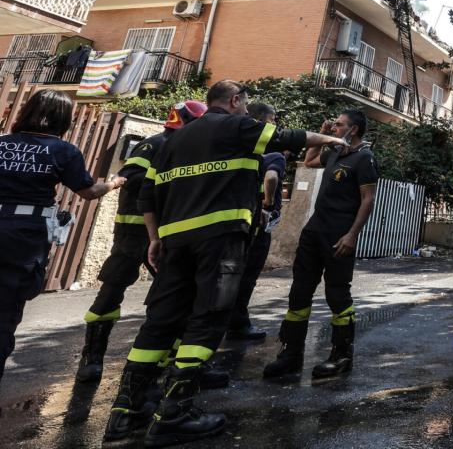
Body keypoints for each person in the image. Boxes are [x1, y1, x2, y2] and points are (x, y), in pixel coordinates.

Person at [104, 80, 345, 445]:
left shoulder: (175, 140)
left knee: (161, 320)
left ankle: (126, 411)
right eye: (245, 106)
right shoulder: (235, 126)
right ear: (234, 102)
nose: (247, 112)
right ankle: (174, 412)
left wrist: (154, 238)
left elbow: (148, 195)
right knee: (207, 319)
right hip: (219, 240)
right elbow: (286, 137)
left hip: (173, 242)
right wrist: (330, 140)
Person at [75, 101, 207, 383]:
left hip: (166, 235)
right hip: (133, 234)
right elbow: (133, 177)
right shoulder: (154, 144)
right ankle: (93, 355)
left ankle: (167, 357)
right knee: (112, 290)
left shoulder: (186, 148)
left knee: (172, 294)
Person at [0, 90, 123, 385]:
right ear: (63, 119)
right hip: (23, 238)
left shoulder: (2, 145)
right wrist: (113, 183)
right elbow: (88, 191)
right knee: (4, 314)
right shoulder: (63, 151)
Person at [263, 109, 377, 380]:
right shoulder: (335, 151)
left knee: (337, 295)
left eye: (339, 125)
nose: (335, 128)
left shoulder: (364, 158)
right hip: (314, 232)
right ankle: (291, 354)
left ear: (355, 130)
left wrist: (352, 235)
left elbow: (368, 200)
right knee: (299, 292)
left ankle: (341, 355)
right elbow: (310, 160)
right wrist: (323, 133)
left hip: (339, 236)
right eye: (334, 125)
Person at [225, 101, 288, 341]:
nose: (275, 125)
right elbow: (271, 177)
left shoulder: (239, 150)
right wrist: (268, 205)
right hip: (258, 226)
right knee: (248, 275)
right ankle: (238, 323)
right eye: (272, 120)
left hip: (234, 222)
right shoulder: (274, 156)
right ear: (261, 121)